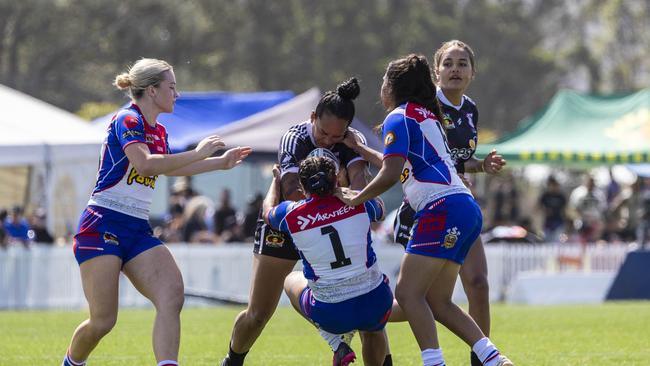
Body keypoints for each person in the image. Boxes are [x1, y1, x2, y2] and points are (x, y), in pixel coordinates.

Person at [61, 58, 252, 366]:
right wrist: (200, 151)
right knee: (103, 322)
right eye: (172, 87)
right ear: (151, 91)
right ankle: (70, 363)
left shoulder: (159, 131)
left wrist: (220, 162)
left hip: (136, 228)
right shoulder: (128, 120)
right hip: (102, 224)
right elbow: (146, 164)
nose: (177, 94)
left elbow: (171, 167)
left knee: (172, 294)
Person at [337, 54, 513, 366]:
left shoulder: (399, 116)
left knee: (407, 294)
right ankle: (493, 359)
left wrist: (356, 198)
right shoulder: (426, 116)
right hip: (464, 207)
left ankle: (435, 362)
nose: (381, 88)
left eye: (383, 82)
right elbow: (405, 166)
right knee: (438, 300)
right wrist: (362, 150)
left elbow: (392, 173)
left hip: (440, 209)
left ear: (392, 86)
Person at [221, 77, 394, 366]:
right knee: (259, 313)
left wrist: (334, 205)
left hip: (329, 217)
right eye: (323, 133)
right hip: (289, 221)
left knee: (368, 316)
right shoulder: (294, 138)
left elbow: (362, 188)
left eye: (336, 138)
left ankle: (341, 343)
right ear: (312, 117)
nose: (328, 141)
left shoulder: (354, 142)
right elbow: (291, 192)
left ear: (348, 131)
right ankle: (233, 360)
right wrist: (330, 203)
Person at [263, 156, 392, 365]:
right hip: (375, 301)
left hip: (331, 313)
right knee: (373, 329)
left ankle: (335, 343)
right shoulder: (359, 201)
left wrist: (275, 181)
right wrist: (351, 192)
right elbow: (381, 210)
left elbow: (267, 212)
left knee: (289, 280)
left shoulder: (291, 213)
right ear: (335, 181)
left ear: (303, 187)